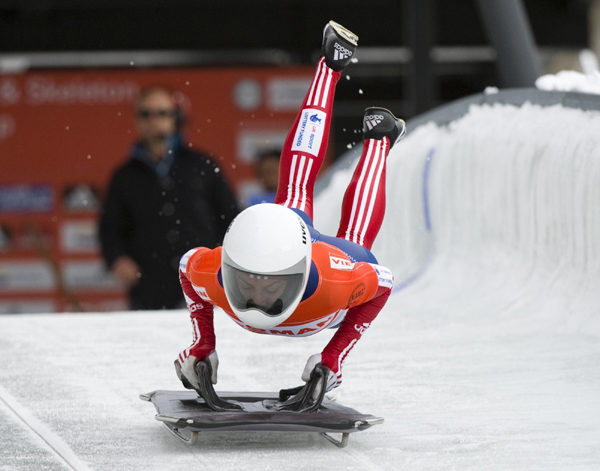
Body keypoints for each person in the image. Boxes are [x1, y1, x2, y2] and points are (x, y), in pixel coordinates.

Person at [175, 21, 405, 401]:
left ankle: (377, 138)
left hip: (327, 266)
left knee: (355, 241)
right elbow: (188, 266)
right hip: (294, 248)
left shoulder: (335, 282)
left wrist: (334, 357)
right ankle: (343, 85)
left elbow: (382, 281)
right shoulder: (213, 273)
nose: (258, 296)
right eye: (247, 281)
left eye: (270, 283)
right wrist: (203, 344)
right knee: (292, 193)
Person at [99, 86, 239, 310]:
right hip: (149, 290)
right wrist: (118, 258)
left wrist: (227, 265)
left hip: (205, 284)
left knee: (209, 344)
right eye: (145, 113)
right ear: (137, 120)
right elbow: (110, 228)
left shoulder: (202, 165)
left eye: (162, 113)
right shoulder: (124, 175)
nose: (153, 120)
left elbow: (230, 217)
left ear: (177, 118)